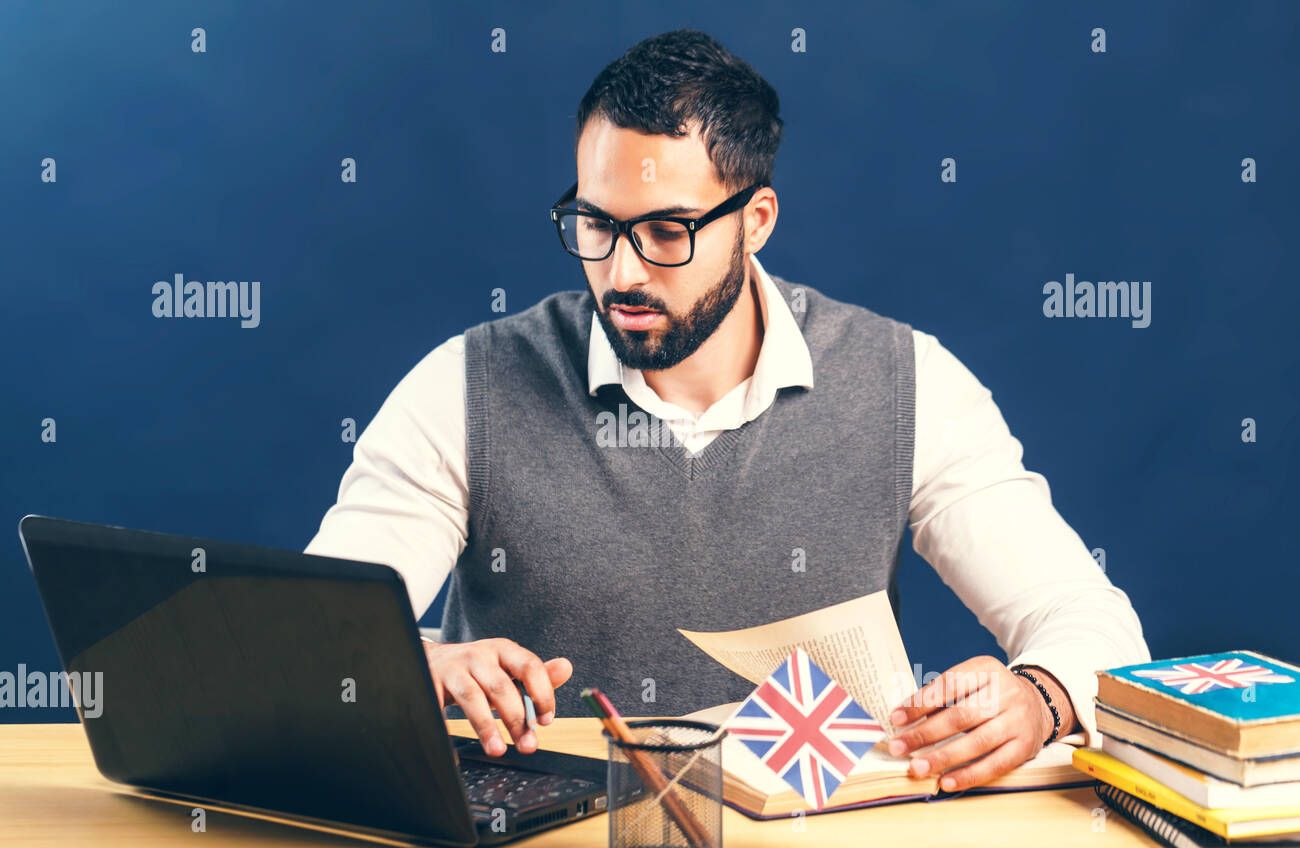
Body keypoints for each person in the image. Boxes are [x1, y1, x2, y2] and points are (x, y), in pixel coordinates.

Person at [305, 29, 1150, 793]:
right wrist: (424, 662)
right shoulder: (468, 386)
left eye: (668, 231)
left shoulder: (906, 381)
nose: (623, 275)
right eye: (596, 224)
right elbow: (310, 639)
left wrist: (1040, 698)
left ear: (756, 221)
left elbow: (1090, 621)